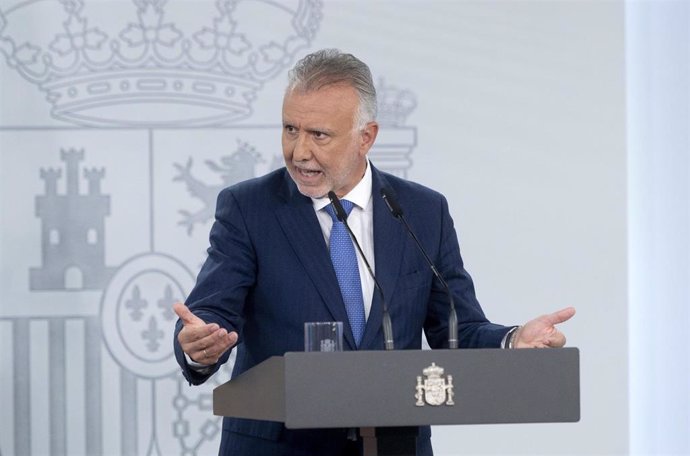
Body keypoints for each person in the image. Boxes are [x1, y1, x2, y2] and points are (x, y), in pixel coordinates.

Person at [173, 48, 575, 456]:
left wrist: (512, 343)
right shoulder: (249, 208)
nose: (298, 151)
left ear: (366, 136)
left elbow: (456, 330)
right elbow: (211, 315)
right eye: (290, 129)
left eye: (319, 135)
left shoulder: (421, 212)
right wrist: (197, 346)